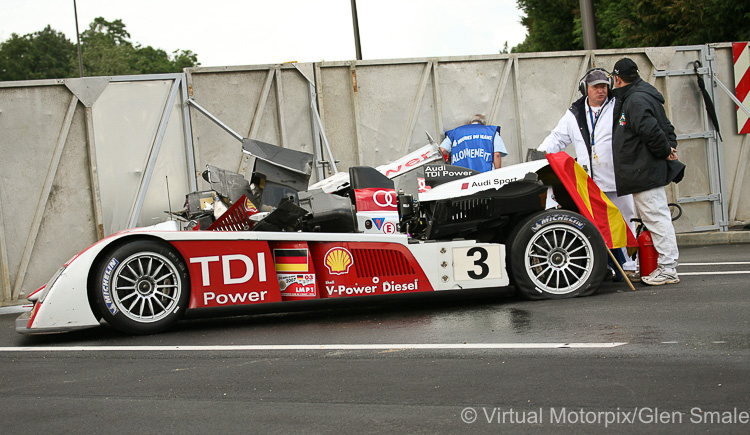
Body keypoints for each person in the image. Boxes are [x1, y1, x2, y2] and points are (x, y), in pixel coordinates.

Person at [538, 68, 639, 279]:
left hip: (618, 178)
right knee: (597, 227)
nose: (601, 91)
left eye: (604, 86)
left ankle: (629, 266)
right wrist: (541, 157)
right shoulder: (574, 113)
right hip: (590, 182)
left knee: (625, 221)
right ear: (586, 89)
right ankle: (606, 266)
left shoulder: (618, 106)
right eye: (596, 87)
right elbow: (557, 138)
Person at [610, 57, 680, 286]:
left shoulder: (635, 100)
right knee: (656, 217)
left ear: (617, 78)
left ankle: (668, 269)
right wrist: (669, 147)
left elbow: (651, 131)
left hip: (643, 169)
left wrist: (664, 150)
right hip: (644, 169)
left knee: (657, 218)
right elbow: (666, 126)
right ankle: (666, 266)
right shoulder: (642, 95)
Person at [439, 114, 508, 172]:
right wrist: (498, 174)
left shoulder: (455, 132)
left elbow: (442, 150)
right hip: (485, 177)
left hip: (460, 176)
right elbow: (497, 155)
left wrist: (447, 157)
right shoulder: (491, 132)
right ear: (483, 124)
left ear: (469, 123)